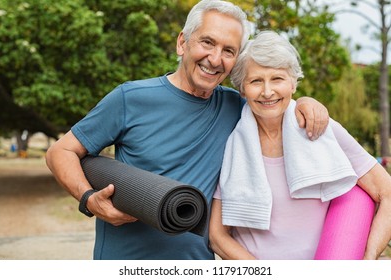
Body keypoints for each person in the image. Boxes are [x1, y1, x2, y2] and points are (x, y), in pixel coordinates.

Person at [45, 0, 329, 260]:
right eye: (207, 42)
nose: (215, 59)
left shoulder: (237, 108)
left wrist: (305, 102)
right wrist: (88, 199)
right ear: (182, 42)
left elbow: (273, 97)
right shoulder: (129, 98)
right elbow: (61, 151)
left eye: (228, 51)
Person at [209, 30, 391, 260]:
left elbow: (387, 192)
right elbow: (217, 236)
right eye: (256, 81)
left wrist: (369, 256)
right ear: (242, 89)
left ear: (293, 83)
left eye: (277, 79)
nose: (267, 91)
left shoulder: (324, 130)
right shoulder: (230, 142)